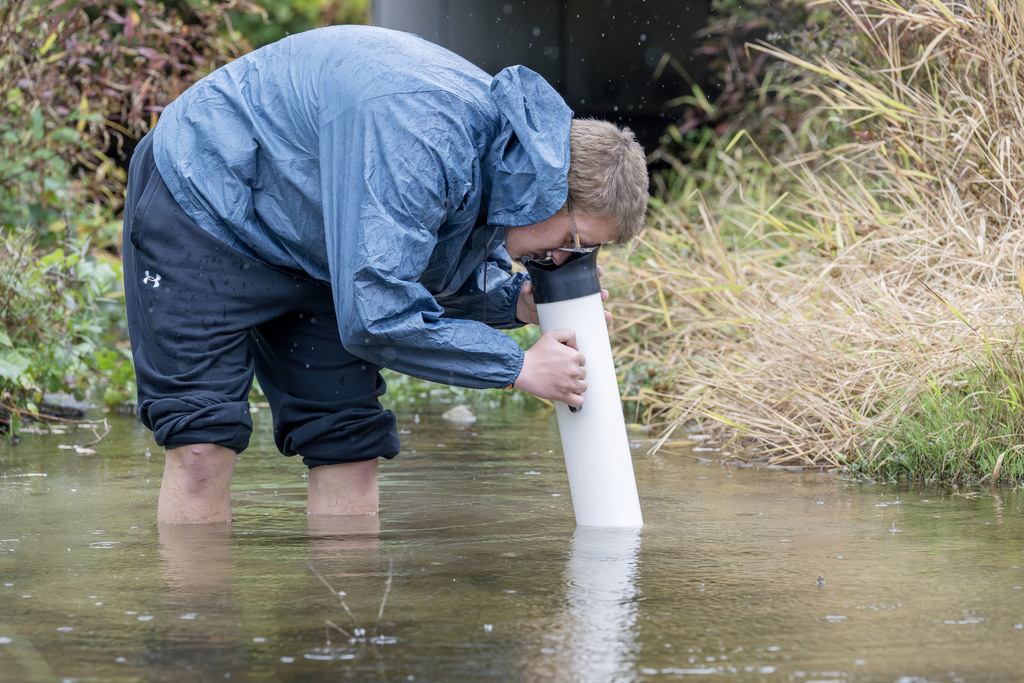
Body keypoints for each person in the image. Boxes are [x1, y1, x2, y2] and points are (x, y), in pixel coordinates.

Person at [122, 25, 649, 524]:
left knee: (348, 445)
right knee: (201, 443)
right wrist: (517, 366)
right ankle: (196, 618)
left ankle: (346, 619)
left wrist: (514, 302)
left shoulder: (510, 163)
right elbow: (377, 314)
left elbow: (415, 257)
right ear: (552, 190)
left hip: (323, 245)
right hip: (206, 201)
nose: (563, 260)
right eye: (573, 243)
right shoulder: (425, 138)